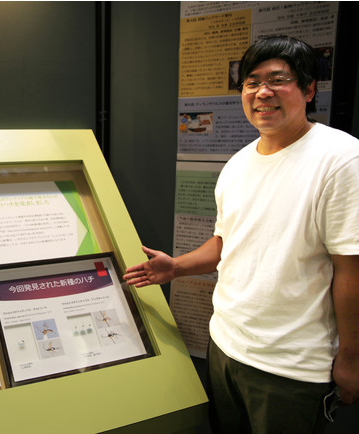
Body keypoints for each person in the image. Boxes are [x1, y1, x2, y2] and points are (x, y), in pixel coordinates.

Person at [123, 35, 359, 433]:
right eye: (252, 82)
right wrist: (176, 267)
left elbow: (351, 270)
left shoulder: (341, 159)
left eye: (278, 80)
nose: (263, 92)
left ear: (309, 89)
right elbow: (226, 242)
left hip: (290, 366)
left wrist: (351, 359)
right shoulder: (238, 163)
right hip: (226, 345)